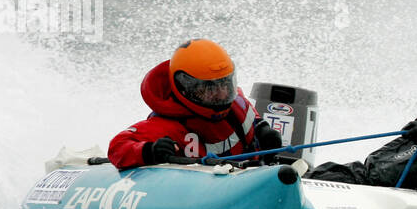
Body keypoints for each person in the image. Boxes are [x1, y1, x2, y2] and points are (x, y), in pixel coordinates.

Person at [107, 38, 284, 169]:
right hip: (204, 192)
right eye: (209, 88)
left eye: (225, 85)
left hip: (249, 176)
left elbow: (252, 117)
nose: (221, 95)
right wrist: (150, 150)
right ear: (185, 88)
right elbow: (117, 147)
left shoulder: (236, 103)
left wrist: (263, 129)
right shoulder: (165, 125)